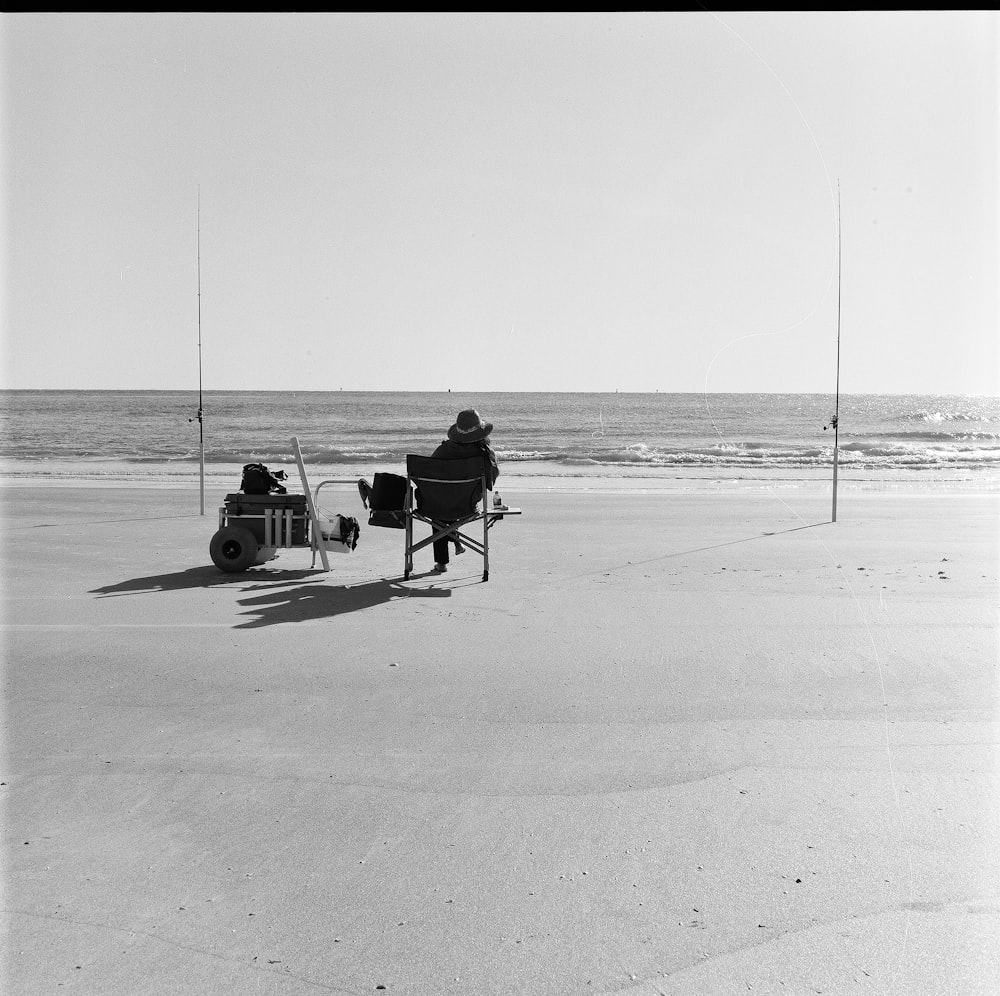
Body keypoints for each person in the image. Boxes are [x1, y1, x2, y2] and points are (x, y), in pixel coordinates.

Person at [427, 408, 500, 573]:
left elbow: (428, 474)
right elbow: (490, 483)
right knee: (453, 502)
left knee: (439, 507)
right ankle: (456, 540)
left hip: (437, 506)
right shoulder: (485, 455)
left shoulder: (443, 450)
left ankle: (441, 563)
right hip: (467, 505)